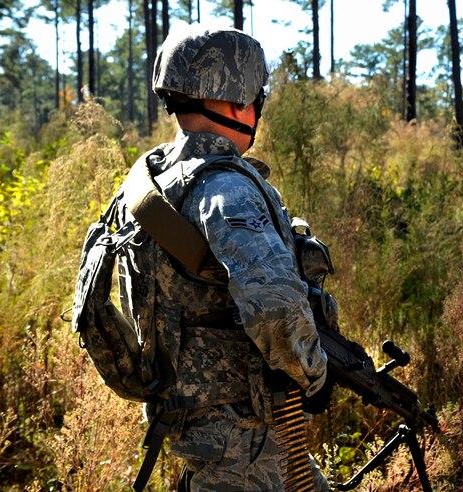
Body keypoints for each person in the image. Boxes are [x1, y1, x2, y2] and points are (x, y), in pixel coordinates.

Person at [114, 25, 329, 491]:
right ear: (236, 104)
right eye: (257, 100)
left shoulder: (149, 186)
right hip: (244, 440)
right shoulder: (225, 189)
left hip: (193, 423)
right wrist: (313, 373)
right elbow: (273, 304)